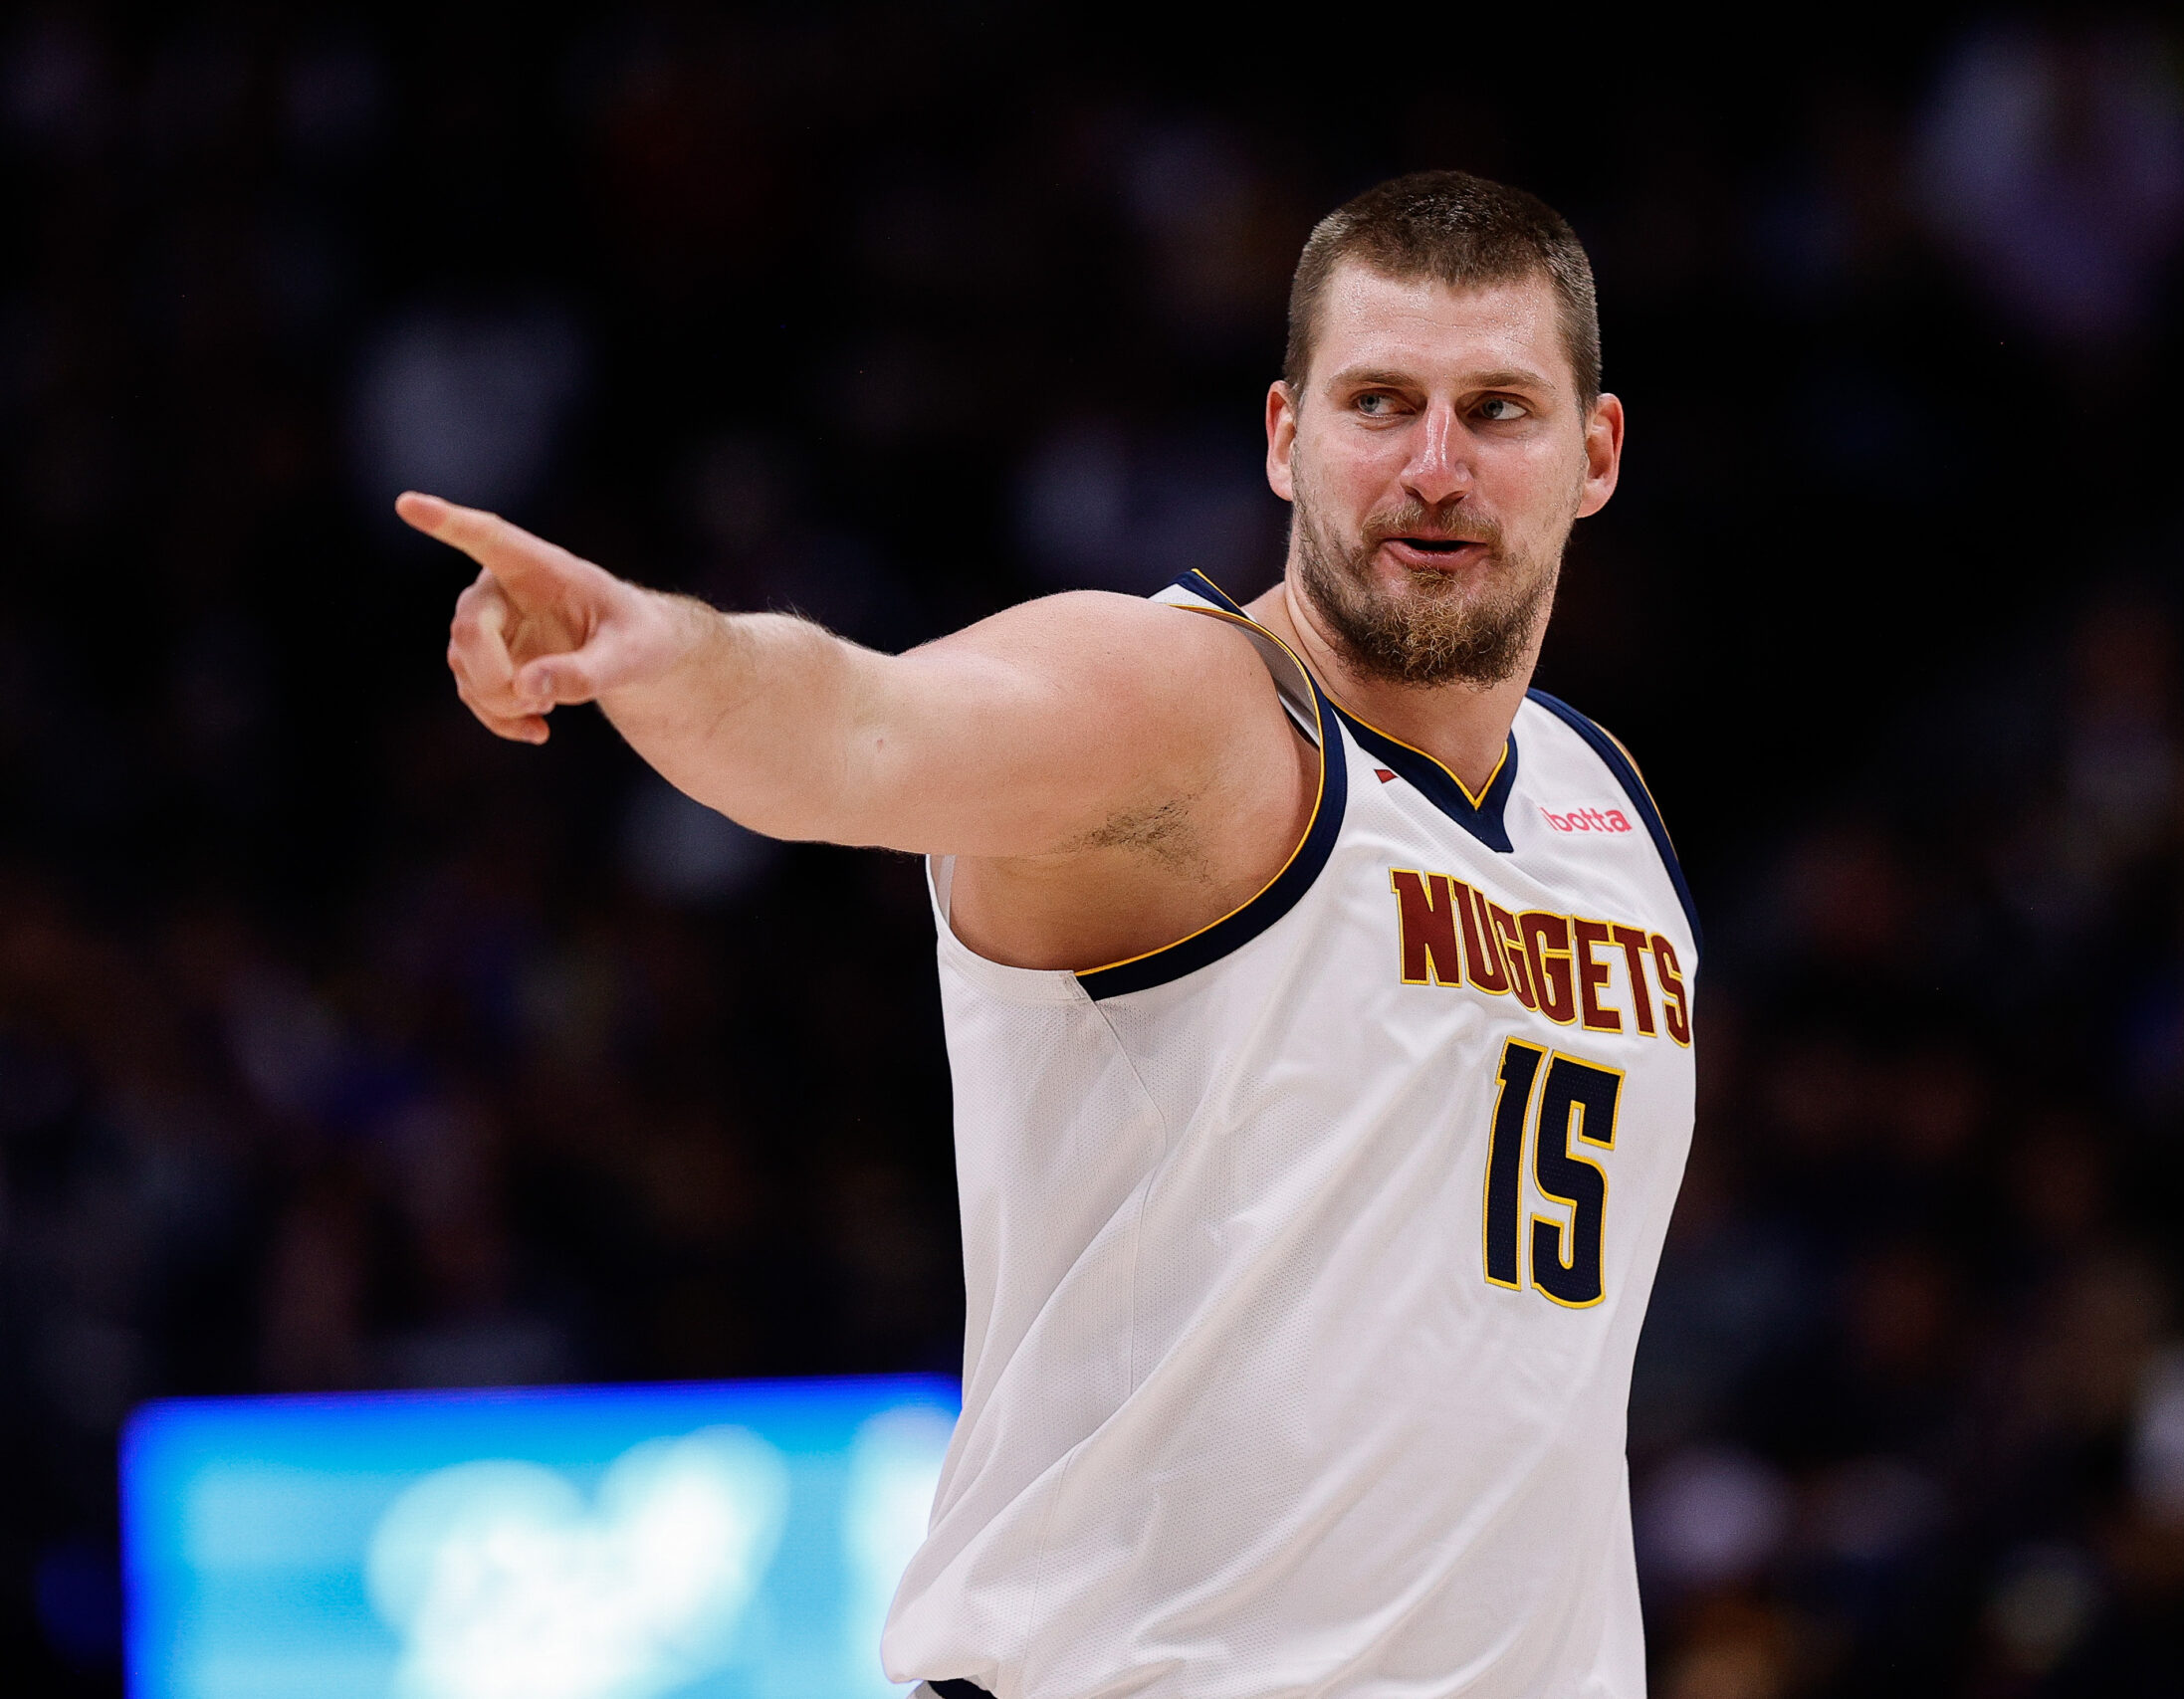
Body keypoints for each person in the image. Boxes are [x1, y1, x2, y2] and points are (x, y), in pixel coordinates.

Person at [411, 170, 1696, 1699]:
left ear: (1595, 454)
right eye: (1377, 403)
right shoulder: (1186, 714)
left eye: (1496, 410)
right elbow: (867, 727)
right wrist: (664, 653)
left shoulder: (1601, 803)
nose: (1434, 466)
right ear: (1285, 438)